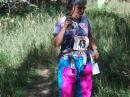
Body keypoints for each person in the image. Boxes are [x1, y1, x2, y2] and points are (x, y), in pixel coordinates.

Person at [52, 0, 99, 97]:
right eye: (79, 8)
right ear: (71, 7)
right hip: (68, 63)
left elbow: (89, 36)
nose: (82, 11)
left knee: (85, 94)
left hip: (85, 62)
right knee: (66, 94)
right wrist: (64, 28)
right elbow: (56, 43)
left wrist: (95, 49)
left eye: (83, 8)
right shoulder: (61, 21)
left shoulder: (85, 19)